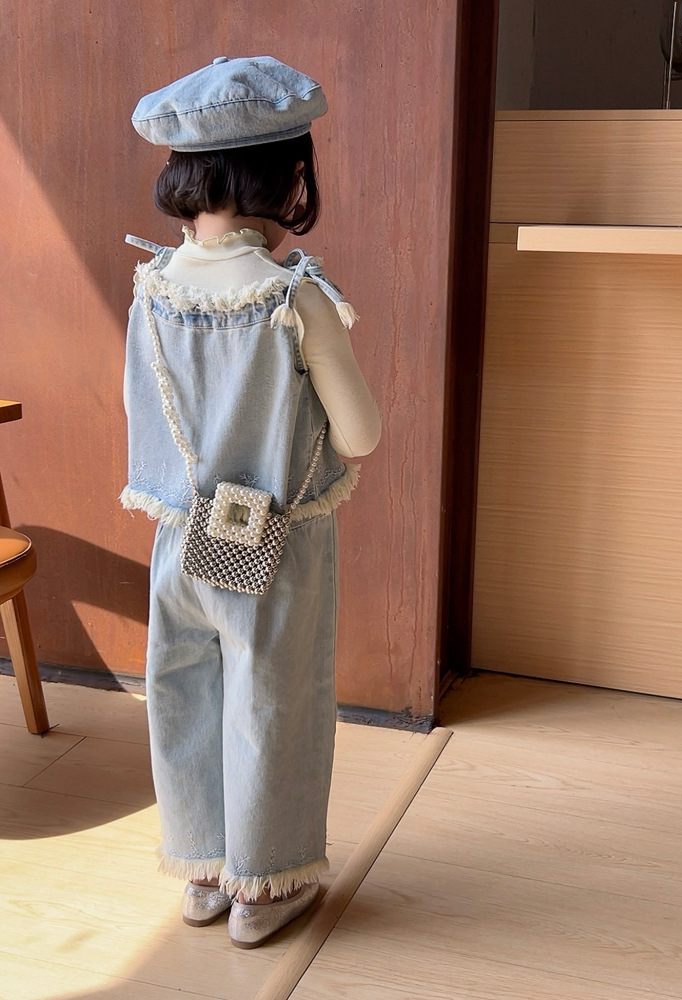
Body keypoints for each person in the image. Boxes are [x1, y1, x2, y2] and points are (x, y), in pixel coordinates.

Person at [121, 55, 382, 949]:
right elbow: (360, 436)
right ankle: (265, 887)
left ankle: (202, 870)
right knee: (275, 701)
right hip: (275, 545)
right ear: (288, 177)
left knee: (183, 690)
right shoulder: (294, 297)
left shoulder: (152, 288)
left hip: (180, 539)